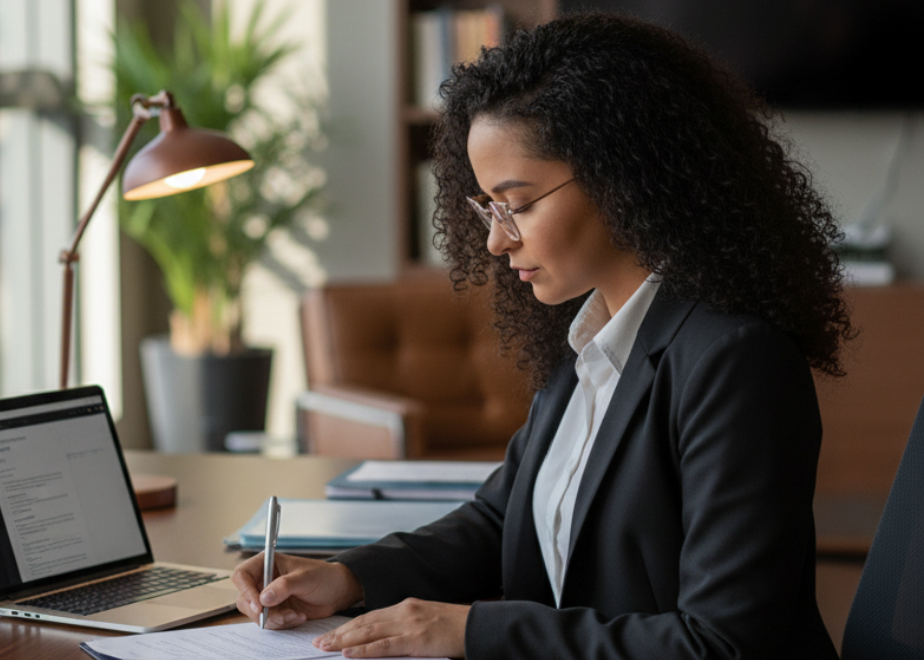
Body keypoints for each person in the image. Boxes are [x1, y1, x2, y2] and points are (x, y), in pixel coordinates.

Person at [232, 12, 854, 659]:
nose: (496, 241)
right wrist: (351, 577)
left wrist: (470, 631)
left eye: (518, 204)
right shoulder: (589, 337)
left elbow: (722, 644)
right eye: (488, 207)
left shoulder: (735, 362)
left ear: (622, 174)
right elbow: (504, 517)